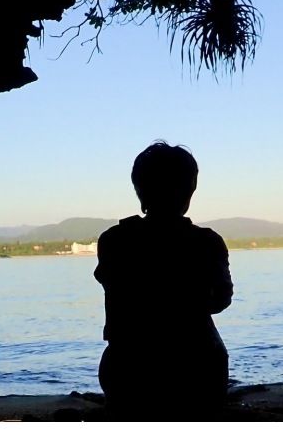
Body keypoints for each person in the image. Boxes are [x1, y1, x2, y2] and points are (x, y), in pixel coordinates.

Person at [94, 141, 233, 420]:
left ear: (139, 188)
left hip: (129, 368)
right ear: (190, 189)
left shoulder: (115, 240)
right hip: (199, 364)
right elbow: (221, 300)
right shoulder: (207, 242)